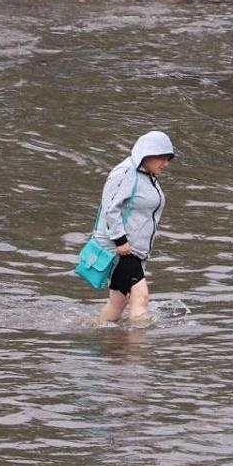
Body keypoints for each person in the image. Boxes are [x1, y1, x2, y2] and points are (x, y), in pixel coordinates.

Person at [93, 130, 175, 324]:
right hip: (121, 249)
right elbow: (110, 208)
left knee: (118, 302)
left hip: (134, 250)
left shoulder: (147, 174)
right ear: (146, 154)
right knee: (141, 297)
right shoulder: (127, 172)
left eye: (168, 159)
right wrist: (120, 241)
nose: (165, 164)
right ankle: (136, 350)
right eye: (161, 158)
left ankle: (102, 339)